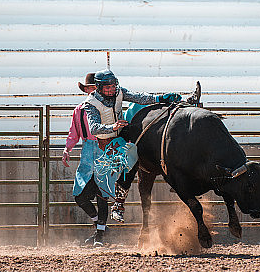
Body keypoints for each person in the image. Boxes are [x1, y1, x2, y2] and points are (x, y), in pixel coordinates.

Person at [83, 69, 181, 222]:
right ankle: (118, 204)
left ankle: (176, 176)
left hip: (122, 133)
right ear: (99, 88)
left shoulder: (119, 92)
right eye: (107, 87)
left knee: (148, 142)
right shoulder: (91, 104)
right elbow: (94, 128)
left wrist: (160, 97)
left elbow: (138, 98)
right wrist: (113, 127)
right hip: (106, 141)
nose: (111, 89)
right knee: (129, 162)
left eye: (113, 86)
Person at [62, 73, 112, 246]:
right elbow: (73, 132)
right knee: (79, 195)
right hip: (87, 153)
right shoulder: (79, 109)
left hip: (104, 149)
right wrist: (67, 148)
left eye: (93, 88)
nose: (91, 91)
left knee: (102, 193)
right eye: (89, 88)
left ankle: (100, 234)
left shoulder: (106, 107)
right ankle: (100, 225)